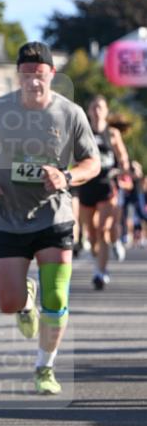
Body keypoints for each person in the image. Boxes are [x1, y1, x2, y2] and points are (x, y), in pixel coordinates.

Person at [0, 41, 100, 395]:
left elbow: (93, 162)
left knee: (55, 296)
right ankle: (25, 300)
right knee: (6, 303)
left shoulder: (70, 114)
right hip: (8, 217)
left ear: (52, 74)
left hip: (54, 216)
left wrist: (67, 177)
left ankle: (45, 365)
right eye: (26, 76)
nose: (33, 83)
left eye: (40, 75)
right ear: (18, 76)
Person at [78, 95, 130, 289]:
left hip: (107, 183)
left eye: (101, 107)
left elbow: (122, 156)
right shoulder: (83, 132)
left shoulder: (112, 133)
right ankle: (99, 258)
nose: (97, 111)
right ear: (89, 111)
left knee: (103, 229)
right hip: (86, 184)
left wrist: (123, 168)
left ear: (106, 111)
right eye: (94, 107)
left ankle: (100, 272)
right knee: (91, 235)